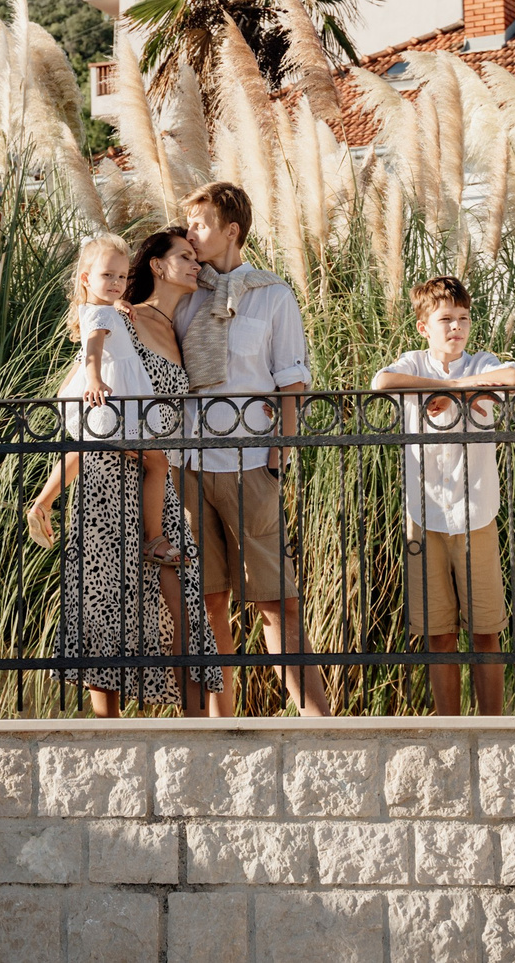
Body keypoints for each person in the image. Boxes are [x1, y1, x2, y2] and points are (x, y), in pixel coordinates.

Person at [27, 233, 218, 716]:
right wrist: (47, 496)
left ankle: (196, 722)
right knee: (102, 601)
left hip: (149, 475)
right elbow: (85, 423)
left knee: (179, 604)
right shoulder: (115, 320)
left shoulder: (148, 319)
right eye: (185, 257)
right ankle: (106, 728)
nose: (115, 282)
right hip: (105, 481)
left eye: (119, 275)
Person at [175, 181, 331, 717]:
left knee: (276, 602)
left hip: (250, 466)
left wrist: (275, 457)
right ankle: (220, 726)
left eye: (200, 225)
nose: (191, 235)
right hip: (191, 468)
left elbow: (292, 379)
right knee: (208, 600)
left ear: (231, 231)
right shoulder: (182, 295)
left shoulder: (273, 295)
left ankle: (317, 723)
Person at [371, 275, 515, 716]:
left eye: (463, 318)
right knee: (439, 633)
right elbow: (381, 382)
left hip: (477, 512)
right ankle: (449, 727)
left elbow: (513, 376)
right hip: (424, 514)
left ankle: (492, 727)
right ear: (424, 327)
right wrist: (433, 389)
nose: (456, 327)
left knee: (485, 630)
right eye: (445, 320)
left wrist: (454, 391)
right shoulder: (413, 364)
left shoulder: (482, 364)